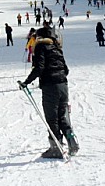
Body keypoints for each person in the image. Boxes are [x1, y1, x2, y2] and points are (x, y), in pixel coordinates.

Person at [19, 26, 79, 158]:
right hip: (63, 85)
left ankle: (56, 148)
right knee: (62, 116)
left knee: (52, 118)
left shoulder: (41, 46)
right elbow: (66, 70)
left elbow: (39, 67)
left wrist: (26, 82)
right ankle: (72, 142)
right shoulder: (57, 48)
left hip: (50, 86)